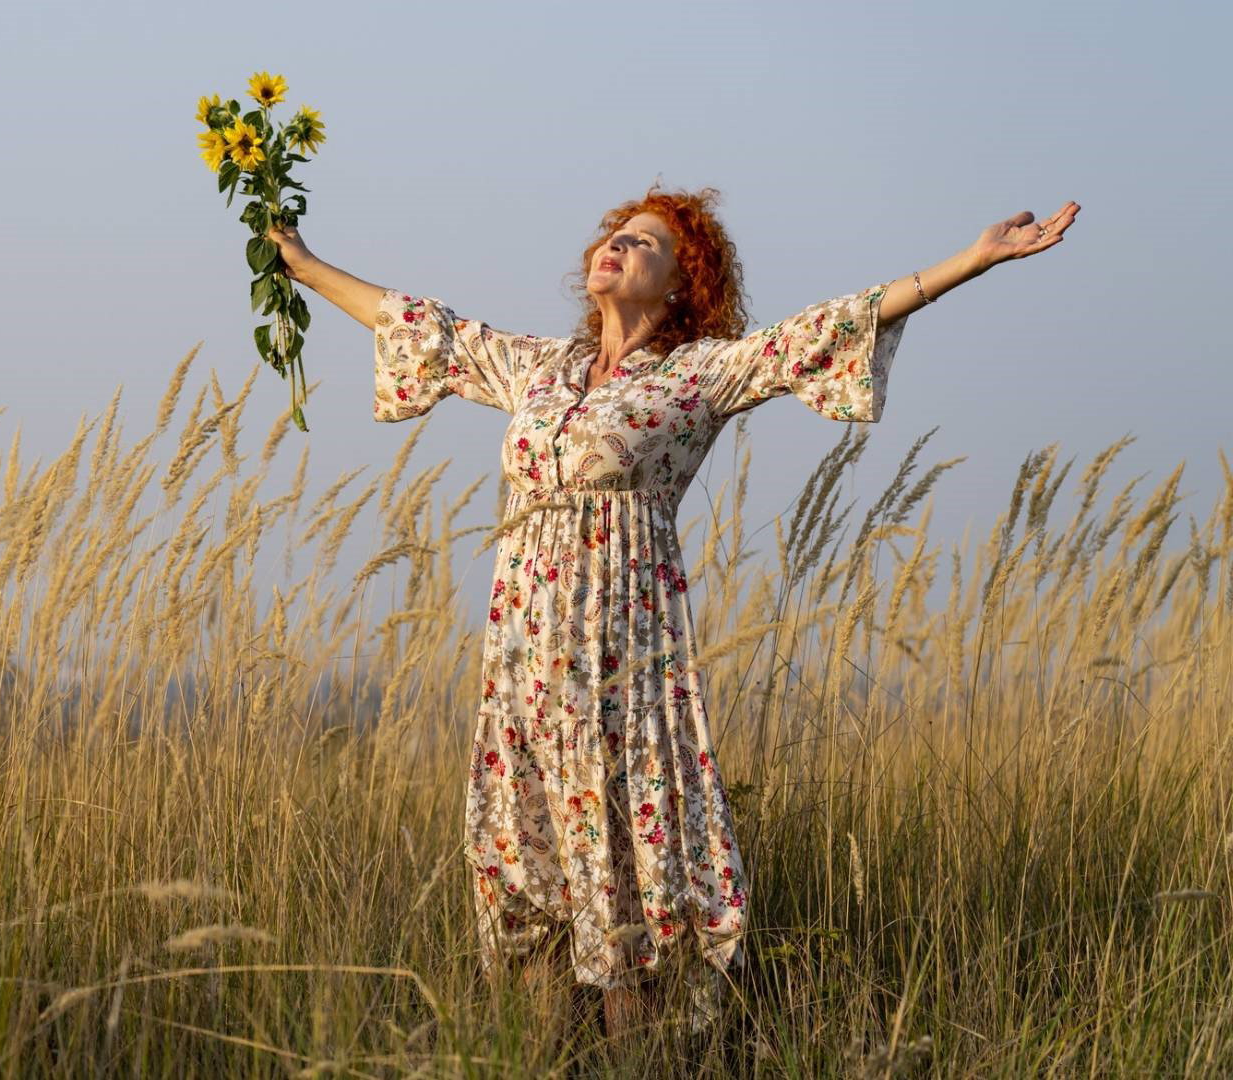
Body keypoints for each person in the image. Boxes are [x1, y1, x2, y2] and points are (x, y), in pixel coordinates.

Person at [264, 184, 1078, 1044]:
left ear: (682, 285)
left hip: (622, 647)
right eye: (614, 235)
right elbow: (427, 326)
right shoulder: (539, 369)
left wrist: (973, 260)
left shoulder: (698, 375)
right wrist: (307, 268)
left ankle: (647, 1048)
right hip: (524, 655)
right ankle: (547, 1049)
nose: (617, 246)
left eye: (645, 243)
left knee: (621, 839)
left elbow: (825, 329)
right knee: (533, 843)